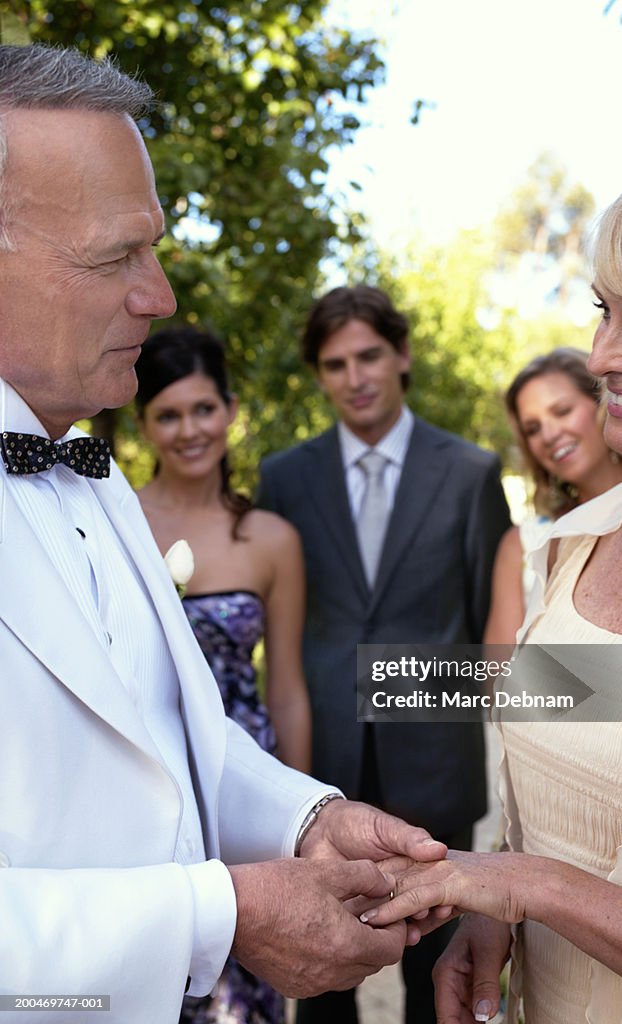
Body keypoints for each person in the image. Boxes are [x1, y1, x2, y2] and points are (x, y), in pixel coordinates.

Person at [0, 43, 449, 1024]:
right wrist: (222, 912)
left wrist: (309, 819)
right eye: (116, 255)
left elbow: (179, 731)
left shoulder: (96, 470)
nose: (159, 295)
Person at [364, 126, 622, 1023]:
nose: (601, 357)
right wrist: (494, 915)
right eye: (604, 310)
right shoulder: (574, 542)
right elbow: (552, 767)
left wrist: (528, 888)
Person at [258, 284, 511, 1024]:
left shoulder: (469, 473)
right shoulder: (283, 477)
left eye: (369, 355)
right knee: (322, 973)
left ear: (400, 355)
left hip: (434, 765)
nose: (355, 376)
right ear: (320, 376)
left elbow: (484, 627)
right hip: (322, 771)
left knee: (436, 978)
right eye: (335, 364)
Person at [134, 326, 312, 1024]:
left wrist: (301, 828)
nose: (189, 430)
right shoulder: (113, 520)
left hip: (244, 787)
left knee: (246, 987)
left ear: (231, 410)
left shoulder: (270, 538)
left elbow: (288, 687)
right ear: (144, 424)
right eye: (168, 414)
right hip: (150, 781)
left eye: (203, 409)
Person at [484, 347, 622, 646]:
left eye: (562, 411)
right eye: (532, 429)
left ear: (603, 402)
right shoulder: (523, 545)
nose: (548, 435)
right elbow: (497, 680)